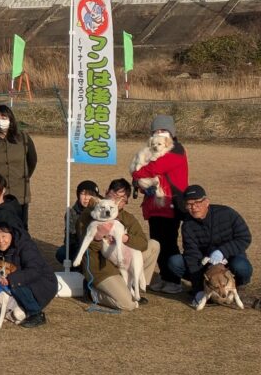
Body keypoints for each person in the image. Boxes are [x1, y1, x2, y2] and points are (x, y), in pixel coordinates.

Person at [75, 179, 160, 311]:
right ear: (106, 193)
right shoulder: (90, 214)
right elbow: (86, 247)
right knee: (127, 305)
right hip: (102, 267)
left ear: (125, 201)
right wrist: (99, 236)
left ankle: (135, 287)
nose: (116, 200)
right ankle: (94, 293)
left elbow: (143, 243)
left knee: (153, 245)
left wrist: (124, 237)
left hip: (122, 259)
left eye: (122, 198)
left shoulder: (128, 218)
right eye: (114, 195)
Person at [167, 185, 253, 306]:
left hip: (230, 259)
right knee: (175, 262)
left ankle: (237, 287)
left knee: (241, 266)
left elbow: (245, 237)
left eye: (197, 202)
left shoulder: (227, 213)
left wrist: (222, 251)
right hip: (205, 264)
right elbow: (192, 256)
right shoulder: (187, 225)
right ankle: (208, 287)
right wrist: (198, 290)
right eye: (189, 204)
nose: (194, 207)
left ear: (206, 202)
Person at [131, 114, 188, 294]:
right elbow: (147, 173)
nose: (160, 134)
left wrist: (136, 174)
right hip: (154, 205)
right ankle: (164, 277)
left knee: (169, 242)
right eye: (157, 131)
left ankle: (174, 280)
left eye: (164, 131)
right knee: (156, 243)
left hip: (171, 204)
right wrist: (140, 183)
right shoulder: (150, 151)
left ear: (171, 133)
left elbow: (156, 168)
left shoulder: (176, 150)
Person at [0, 221, 55, 327]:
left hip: (42, 282)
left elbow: (35, 270)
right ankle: (13, 310)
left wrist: (10, 279)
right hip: (15, 281)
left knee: (15, 285)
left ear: (12, 235)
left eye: (4, 236)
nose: (0, 241)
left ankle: (36, 313)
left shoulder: (25, 246)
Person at [0, 104, 37, 228]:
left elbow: (32, 161)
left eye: (4, 116)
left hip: (20, 193)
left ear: (10, 119)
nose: (0, 120)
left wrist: (23, 177)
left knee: (21, 227)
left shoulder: (23, 139)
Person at [55, 180, 100, 265]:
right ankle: (76, 267)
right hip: (78, 245)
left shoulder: (102, 210)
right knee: (62, 253)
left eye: (90, 194)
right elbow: (70, 238)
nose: (86, 198)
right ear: (78, 195)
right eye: (83, 194)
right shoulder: (71, 213)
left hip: (97, 246)